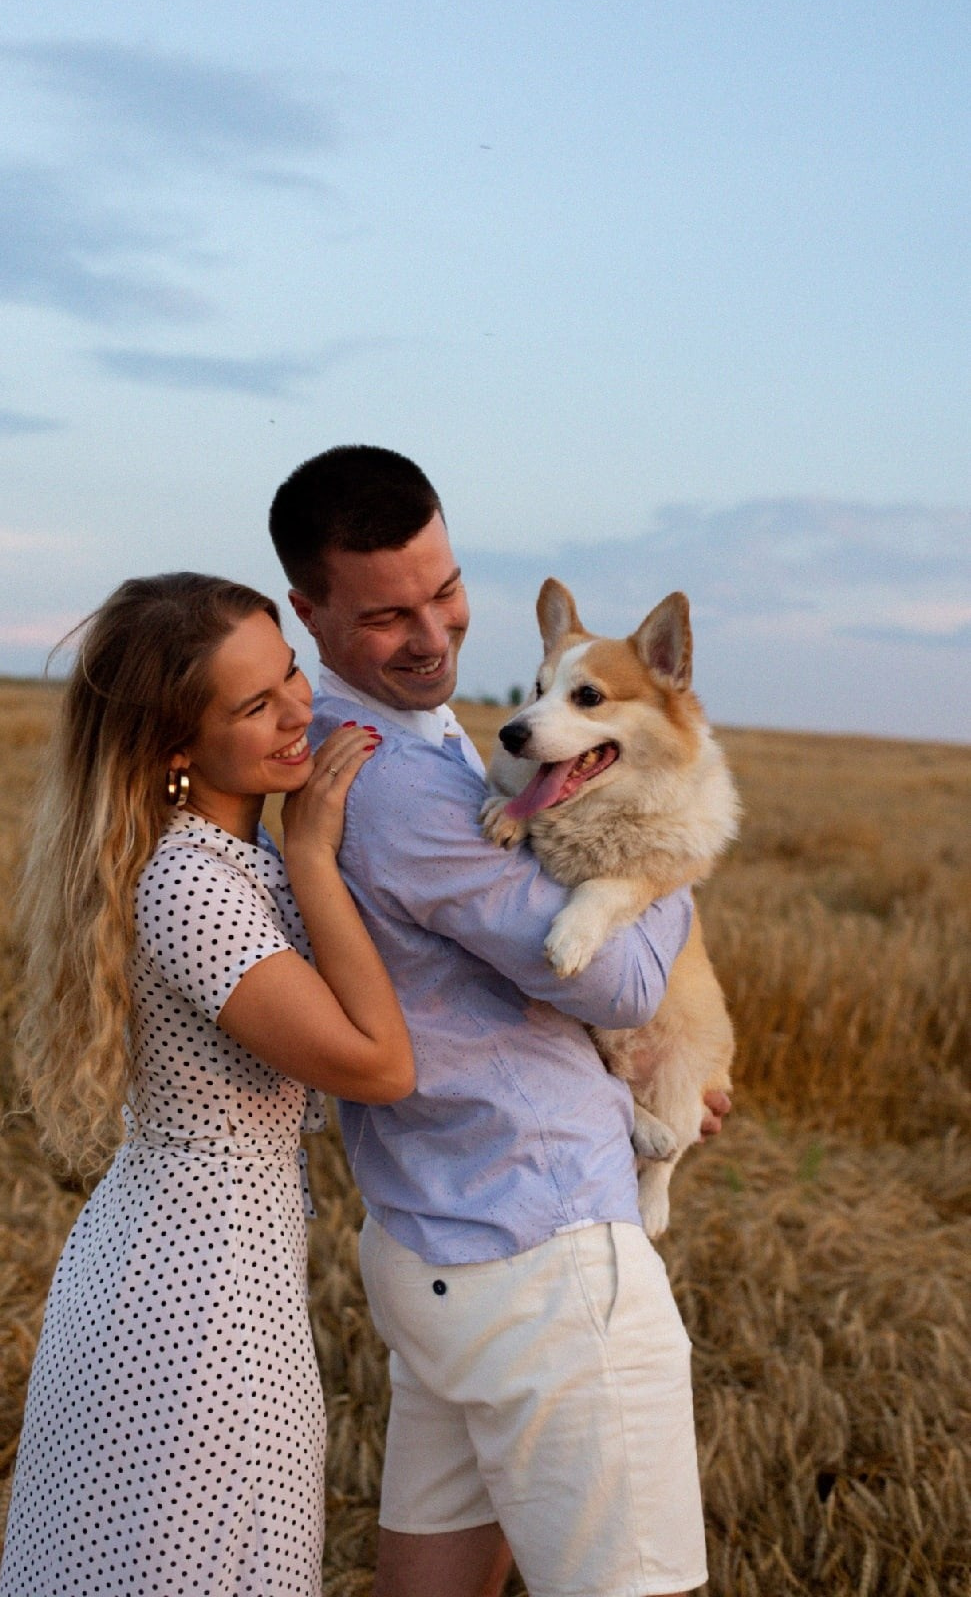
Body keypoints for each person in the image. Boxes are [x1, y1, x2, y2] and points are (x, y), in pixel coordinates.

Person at [269, 447, 729, 1597]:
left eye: (446, 590)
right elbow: (616, 984)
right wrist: (680, 866)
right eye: (386, 614)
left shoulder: (404, 745)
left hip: (436, 1241)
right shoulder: (397, 785)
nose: (432, 635)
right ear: (307, 612)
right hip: (538, 1250)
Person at [0, 572, 414, 1597]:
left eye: (287, 676)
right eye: (252, 706)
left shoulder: (230, 856)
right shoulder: (192, 883)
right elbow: (379, 1065)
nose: (295, 712)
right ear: (174, 746)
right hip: (197, 1300)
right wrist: (315, 852)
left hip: (196, 1264)